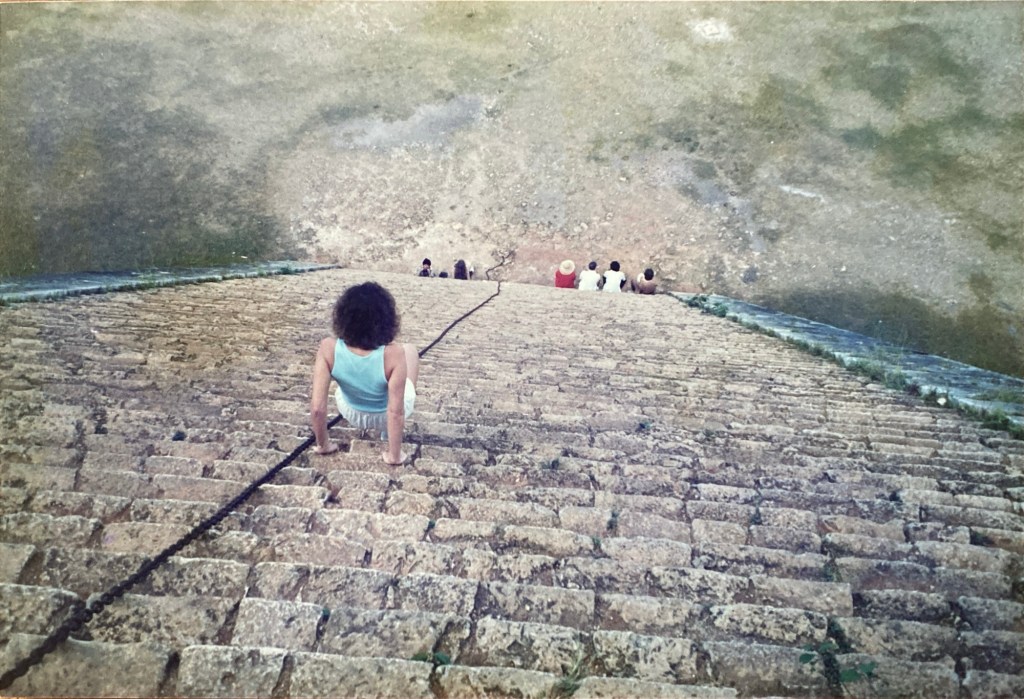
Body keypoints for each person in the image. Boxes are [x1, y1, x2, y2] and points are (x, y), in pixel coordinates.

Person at [310, 282, 418, 466]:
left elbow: (317, 409)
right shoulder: (394, 353)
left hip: (351, 411)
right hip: (384, 415)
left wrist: (323, 445)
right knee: (410, 350)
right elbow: (395, 412)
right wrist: (394, 456)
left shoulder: (328, 348)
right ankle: (387, 433)